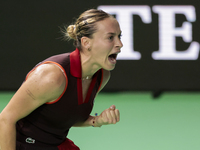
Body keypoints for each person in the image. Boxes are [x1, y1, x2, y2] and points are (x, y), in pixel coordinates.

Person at [0, 9, 123, 150]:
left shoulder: (101, 76)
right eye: (110, 38)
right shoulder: (53, 77)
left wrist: (96, 120)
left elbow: (63, 117)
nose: (120, 44)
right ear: (86, 43)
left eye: (119, 36)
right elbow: (5, 119)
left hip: (54, 144)